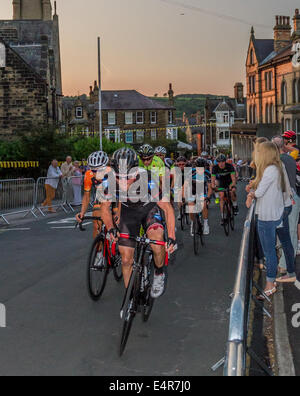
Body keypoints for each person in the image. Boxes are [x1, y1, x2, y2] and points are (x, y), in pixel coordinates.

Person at [99, 148, 176, 303]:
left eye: (128, 177)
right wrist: (111, 228)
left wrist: (172, 237)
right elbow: (104, 208)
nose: (123, 182)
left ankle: (159, 272)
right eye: (119, 177)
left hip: (149, 209)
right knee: (126, 259)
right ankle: (131, 296)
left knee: (157, 239)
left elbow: (167, 209)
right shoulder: (109, 180)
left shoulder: (147, 178)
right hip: (129, 213)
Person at [247, 142, 295, 298]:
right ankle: (278, 277)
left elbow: (259, 192)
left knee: (269, 252)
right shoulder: (274, 168)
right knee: (276, 247)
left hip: (268, 216)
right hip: (273, 213)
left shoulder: (270, 170)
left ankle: (270, 284)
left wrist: (251, 193)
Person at [272, 135, 299, 279]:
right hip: (293, 196)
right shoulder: (290, 159)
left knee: (287, 234)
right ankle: (285, 264)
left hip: (287, 198)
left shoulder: (277, 161)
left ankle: (285, 265)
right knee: (289, 232)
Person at [76, 151, 110, 240]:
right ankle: (98, 252)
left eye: (98, 170)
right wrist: (82, 213)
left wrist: (117, 213)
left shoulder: (112, 173)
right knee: (96, 224)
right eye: (93, 170)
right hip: (101, 196)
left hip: (114, 196)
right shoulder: (88, 174)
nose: (95, 173)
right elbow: (86, 196)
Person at [184, 157, 212, 236]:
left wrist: (208, 197)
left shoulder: (207, 173)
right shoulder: (190, 172)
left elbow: (210, 188)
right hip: (192, 191)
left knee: (204, 205)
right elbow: (185, 186)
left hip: (202, 191)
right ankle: (193, 223)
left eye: (202, 168)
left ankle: (206, 224)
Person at [211, 154, 238, 225]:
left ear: (225, 161)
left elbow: (233, 179)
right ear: (217, 162)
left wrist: (232, 185)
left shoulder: (230, 166)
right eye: (219, 162)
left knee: (232, 192)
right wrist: (213, 186)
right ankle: (223, 217)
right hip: (221, 183)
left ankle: (235, 205)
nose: (221, 163)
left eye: (223, 162)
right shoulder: (215, 168)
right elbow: (213, 180)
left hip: (230, 182)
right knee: (221, 196)